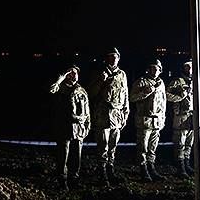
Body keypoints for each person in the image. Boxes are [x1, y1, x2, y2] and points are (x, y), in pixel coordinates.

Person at [88, 48, 129, 185]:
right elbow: (91, 93)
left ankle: (110, 170)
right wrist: (101, 81)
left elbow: (125, 95)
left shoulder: (122, 74)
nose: (112, 59)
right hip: (103, 115)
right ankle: (102, 172)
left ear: (118, 58)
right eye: (110, 56)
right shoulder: (99, 73)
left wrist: (125, 114)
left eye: (115, 56)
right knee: (102, 146)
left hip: (117, 116)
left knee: (113, 145)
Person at [48, 66, 91, 190]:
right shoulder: (60, 88)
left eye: (75, 73)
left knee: (76, 156)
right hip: (64, 127)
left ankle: (74, 179)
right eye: (70, 73)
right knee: (63, 155)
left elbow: (87, 110)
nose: (73, 75)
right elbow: (51, 89)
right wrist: (60, 79)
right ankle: (62, 180)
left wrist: (87, 125)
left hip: (78, 128)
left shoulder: (81, 90)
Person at [166, 59, 200, 177]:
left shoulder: (196, 81)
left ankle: (187, 164)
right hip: (181, 116)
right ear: (183, 68)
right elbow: (166, 95)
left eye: (191, 66)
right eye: (187, 66)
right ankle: (180, 167)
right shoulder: (177, 81)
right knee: (180, 142)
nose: (189, 69)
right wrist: (180, 97)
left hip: (193, 115)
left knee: (189, 142)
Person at [129, 59, 167, 182]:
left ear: (160, 70)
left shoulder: (161, 83)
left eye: (157, 68)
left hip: (157, 120)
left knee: (152, 147)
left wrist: (163, 117)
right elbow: (132, 97)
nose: (154, 70)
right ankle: (143, 169)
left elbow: (163, 101)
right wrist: (145, 92)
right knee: (143, 146)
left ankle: (151, 167)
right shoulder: (141, 81)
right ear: (148, 69)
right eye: (152, 68)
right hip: (144, 119)